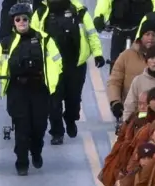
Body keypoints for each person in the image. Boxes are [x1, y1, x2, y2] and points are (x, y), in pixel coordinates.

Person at [0, 2, 63, 175]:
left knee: (39, 127)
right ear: (13, 22)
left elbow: (57, 62)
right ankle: (22, 161)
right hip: (17, 90)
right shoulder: (6, 43)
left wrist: (52, 84)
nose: (22, 22)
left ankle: (36, 151)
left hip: (40, 89)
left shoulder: (44, 39)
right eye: (18, 19)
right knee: (21, 128)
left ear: (29, 20)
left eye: (25, 19)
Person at [31, 0, 104, 144]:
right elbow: (32, 38)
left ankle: (71, 119)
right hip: (52, 66)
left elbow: (91, 33)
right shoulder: (40, 13)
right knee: (53, 102)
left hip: (75, 64)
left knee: (73, 99)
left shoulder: (80, 11)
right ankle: (57, 132)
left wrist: (98, 53)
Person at [107, 22, 155, 120]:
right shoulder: (126, 56)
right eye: (147, 34)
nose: (150, 38)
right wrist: (115, 102)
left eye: (154, 35)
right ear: (141, 37)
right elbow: (114, 81)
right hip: (131, 111)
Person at [92, 0, 155, 64]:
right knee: (115, 63)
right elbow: (104, 2)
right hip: (119, 27)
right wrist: (99, 16)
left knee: (144, 61)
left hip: (140, 26)